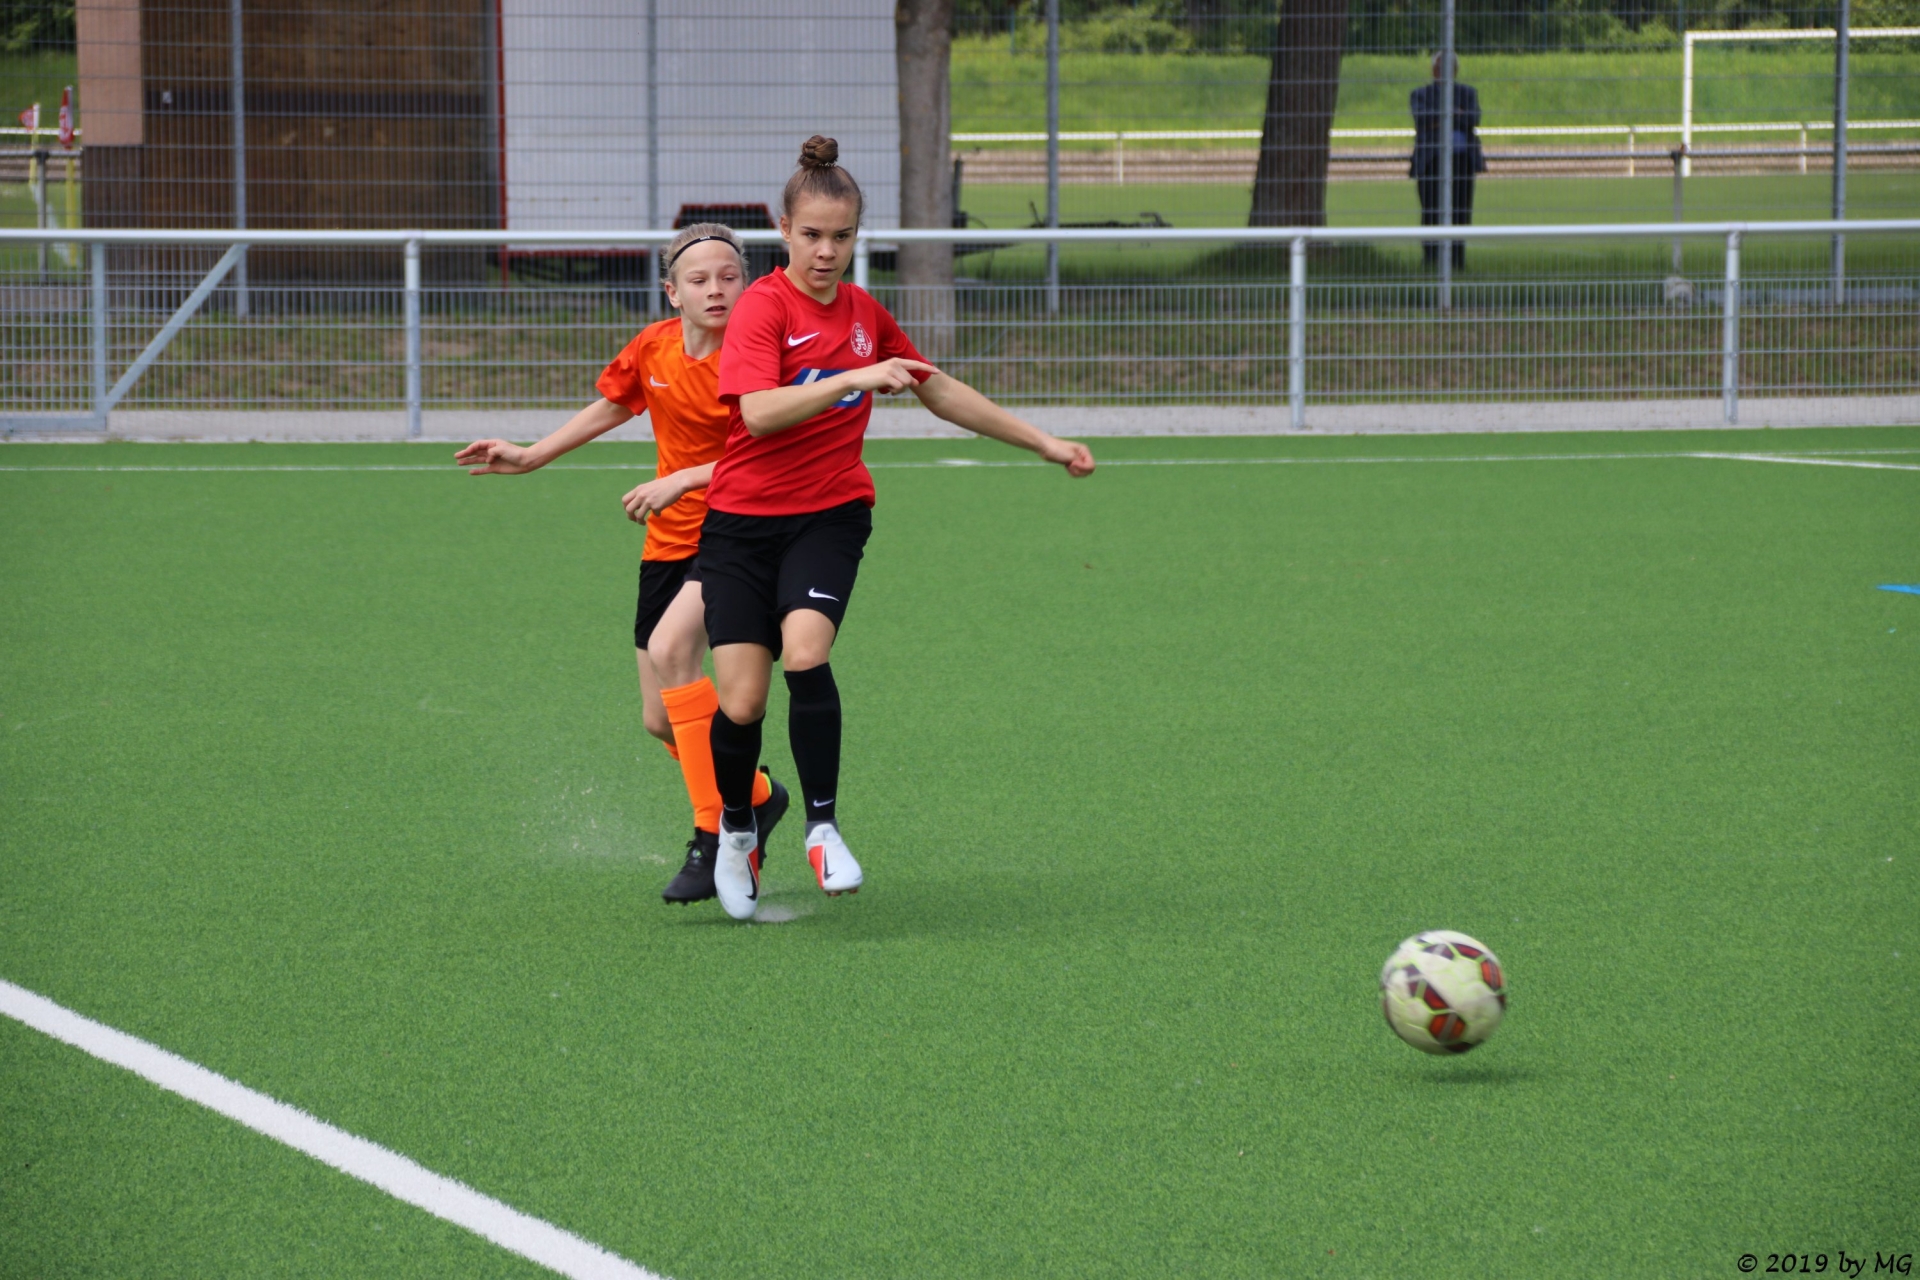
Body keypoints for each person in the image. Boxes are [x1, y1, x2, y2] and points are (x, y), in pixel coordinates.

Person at [699, 134, 1096, 923]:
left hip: (830, 515)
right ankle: (736, 832)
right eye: (812, 235)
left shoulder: (864, 314)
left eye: (842, 236)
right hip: (741, 525)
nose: (827, 252)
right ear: (783, 230)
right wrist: (853, 376)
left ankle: (822, 829)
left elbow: (937, 390)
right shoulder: (762, 309)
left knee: (806, 652)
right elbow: (760, 413)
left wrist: (1043, 442)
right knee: (741, 703)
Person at [454, 223, 788, 906]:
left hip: (740, 534)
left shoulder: (758, 358)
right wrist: (531, 455)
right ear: (673, 292)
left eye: (729, 277)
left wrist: (684, 480)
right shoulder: (653, 347)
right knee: (660, 719)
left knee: (672, 651)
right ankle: (758, 795)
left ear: (748, 285)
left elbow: (771, 451)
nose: (716, 289)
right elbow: (614, 403)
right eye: (699, 279)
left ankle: (716, 836)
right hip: (668, 542)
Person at [1409, 52, 1486, 270]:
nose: (1445, 72)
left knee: (1461, 210)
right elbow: (1421, 118)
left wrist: (1441, 117)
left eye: (1450, 67)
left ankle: (1457, 260)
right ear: (1434, 70)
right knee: (1431, 210)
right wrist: (1454, 114)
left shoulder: (1467, 93)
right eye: (1441, 67)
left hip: (1462, 161)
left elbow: (1473, 119)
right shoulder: (1420, 94)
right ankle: (1431, 259)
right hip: (1431, 161)